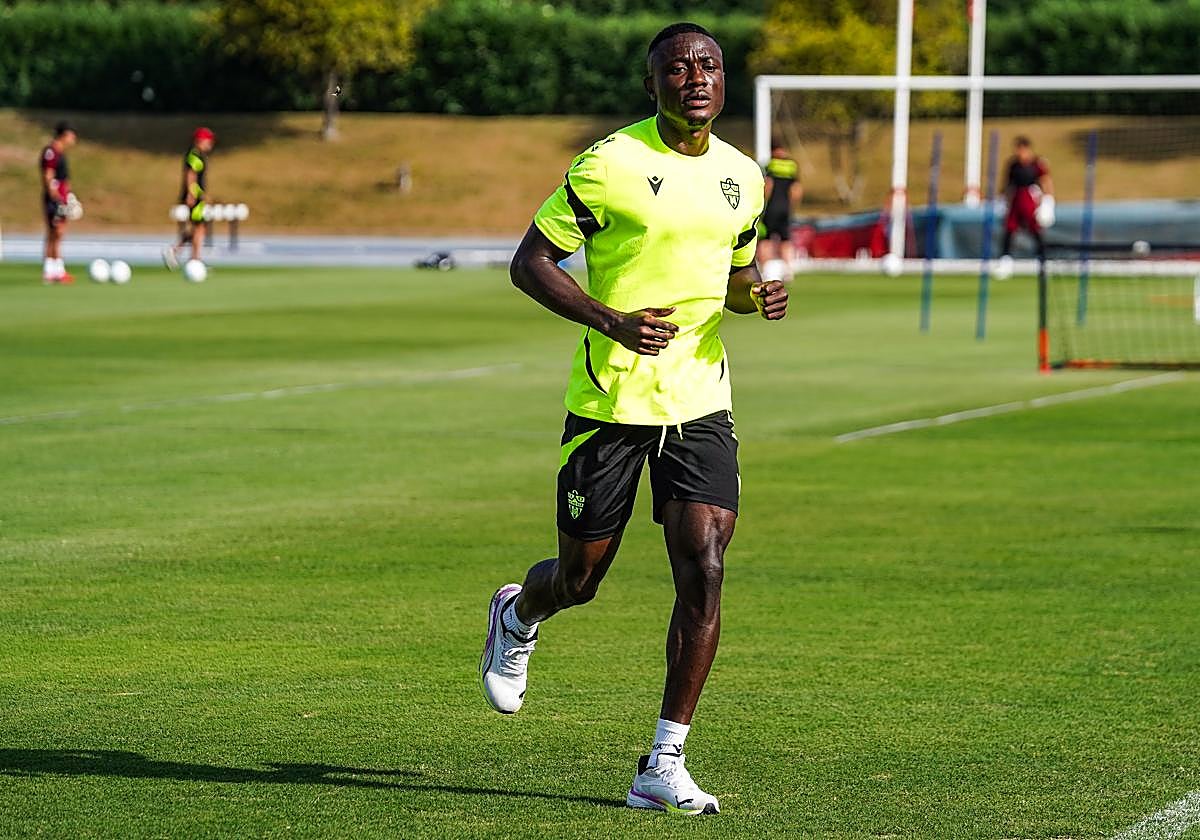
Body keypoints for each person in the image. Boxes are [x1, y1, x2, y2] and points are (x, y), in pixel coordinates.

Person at [480, 22, 788, 816]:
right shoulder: (610, 164)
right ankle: (519, 614)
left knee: (706, 562)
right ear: (651, 82)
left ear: (726, 82)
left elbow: (735, 274)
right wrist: (612, 320)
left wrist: (757, 294)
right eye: (679, 66)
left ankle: (663, 760)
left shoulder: (743, 177)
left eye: (710, 65)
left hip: (699, 399)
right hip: (611, 401)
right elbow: (530, 263)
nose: (696, 77)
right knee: (579, 579)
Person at [164, 127, 216, 269]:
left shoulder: (199, 155)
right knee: (199, 227)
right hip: (194, 198)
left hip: (198, 196)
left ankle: (183, 253)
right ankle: (191, 257)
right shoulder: (194, 155)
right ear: (200, 140)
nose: (210, 143)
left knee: (199, 228)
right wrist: (191, 194)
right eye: (208, 140)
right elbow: (191, 174)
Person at [1001, 135, 1053, 260]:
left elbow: (1046, 181)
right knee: (1010, 228)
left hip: (1030, 197)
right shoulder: (1013, 165)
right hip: (1016, 198)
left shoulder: (1037, 164)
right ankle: (1005, 257)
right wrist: (1003, 199)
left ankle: (1041, 255)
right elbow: (1007, 184)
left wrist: (1048, 201)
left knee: (1034, 228)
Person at [39, 121, 77, 284]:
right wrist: (56, 198)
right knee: (54, 232)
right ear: (64, 135)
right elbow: (48, 176)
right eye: (71, 135)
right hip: (54, 199)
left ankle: (57, 269)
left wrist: (68, 196)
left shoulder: (61, 153)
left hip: (61, 197)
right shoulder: (51, 152)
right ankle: (50, 269)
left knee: (59, 233)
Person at [758, 141, 803, 277]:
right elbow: (796, 189)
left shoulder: (770, 165)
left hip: (771, 209)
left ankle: (764, 270)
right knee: (785, 239)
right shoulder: (792, 166)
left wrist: (762, 203)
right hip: (785, 208)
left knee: (766, 239)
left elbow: (768, 185)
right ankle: (789, 270)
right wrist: (793, 206)